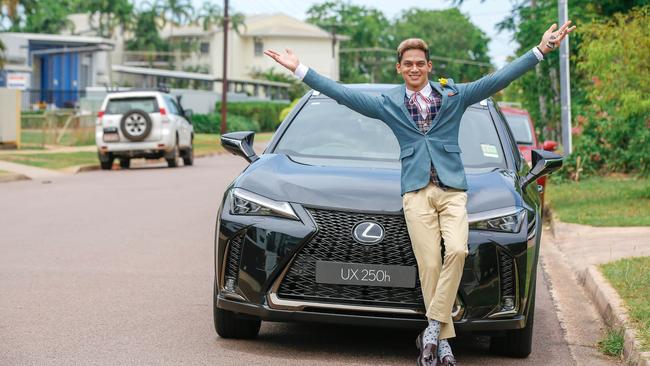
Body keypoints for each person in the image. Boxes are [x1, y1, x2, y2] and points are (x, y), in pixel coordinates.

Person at [265, 21, 575, 366]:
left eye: (420, 63)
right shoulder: (388, 103)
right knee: (429, 265)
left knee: (456, 250)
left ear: (429, 67)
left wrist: (541, 49)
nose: (414, 68)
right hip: (415, 193)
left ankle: (431, 328)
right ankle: (441, 342)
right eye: (407, 64)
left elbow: (498, 79)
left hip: (452, 191)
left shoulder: (454, 96)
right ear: (400, 68)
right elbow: (342, 94)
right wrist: (300, 69)